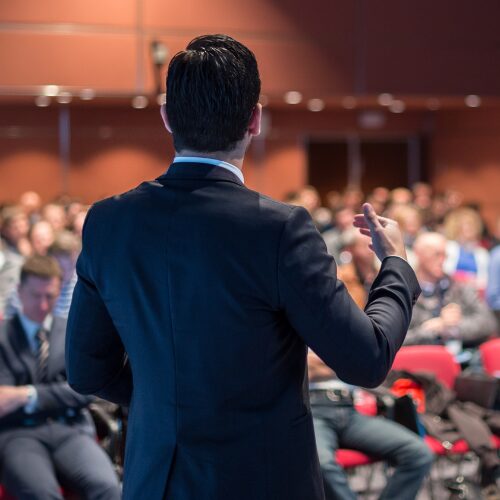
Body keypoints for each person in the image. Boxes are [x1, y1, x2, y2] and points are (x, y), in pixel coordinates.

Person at [66, 34, 421, 500]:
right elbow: (367, 359)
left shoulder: (108, 222)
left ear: (167, 116)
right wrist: (395, 264)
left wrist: (172, 402)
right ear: (255, 119)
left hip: (155, 481)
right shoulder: (279, 229)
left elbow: (87, 371)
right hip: (261, 479)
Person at [311, 233, 433, 500]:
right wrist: (340, 360)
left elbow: (357, 359)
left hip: (348, 405)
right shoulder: (301, 312)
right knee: (321, 466)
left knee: (418, 453)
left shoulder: (345, 318)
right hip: (313, 408)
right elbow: (312, 363)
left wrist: (331, 361)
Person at [0, 255, 120, 499]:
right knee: (42, 495)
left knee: (108, 488)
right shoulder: (3, 338)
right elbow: (2, 400)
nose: (43, 305)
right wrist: (61, 391)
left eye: (50, 296)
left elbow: (85, 390)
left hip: (70, 429)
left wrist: (27, 394)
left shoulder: (71, 331)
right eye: (36, 296)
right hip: (19, 434)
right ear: (19, 291)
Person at [405, 232, 496, 348]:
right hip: (418, 361)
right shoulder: (403, 291)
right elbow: (391, 339)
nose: (442, 260)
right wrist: (431, 329)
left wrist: (453, 328)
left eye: (445, 255)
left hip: (464, 359)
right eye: (436, 254)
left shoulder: (460, 286)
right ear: (418, 253)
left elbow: (488, 323)